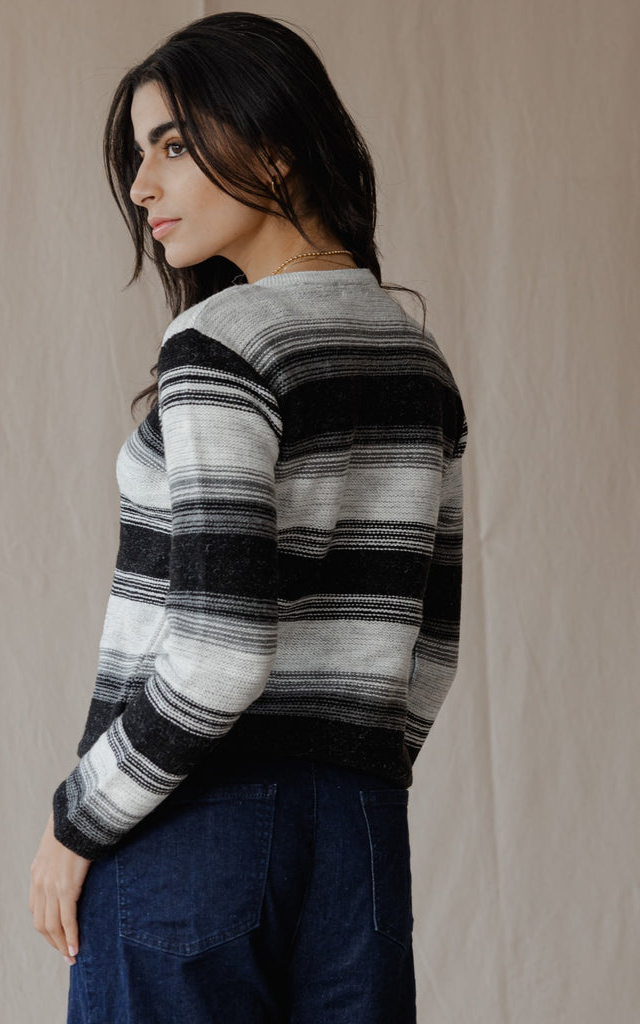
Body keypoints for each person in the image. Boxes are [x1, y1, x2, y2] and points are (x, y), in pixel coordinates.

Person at [29, 11, 467, 1023]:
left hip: (189, 821)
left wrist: (77, 820)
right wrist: (339, 782)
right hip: (356, 834)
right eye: (139, 155)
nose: (142, 186)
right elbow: (432, 649)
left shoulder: (222, 342)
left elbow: (220, 654)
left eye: (173, 147)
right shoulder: (414, 357)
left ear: (276, 148)